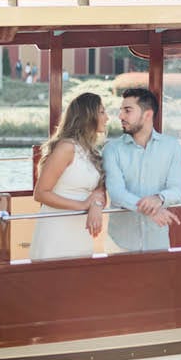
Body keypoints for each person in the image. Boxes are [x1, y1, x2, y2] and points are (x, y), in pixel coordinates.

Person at [102, 88, 181, 252]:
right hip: (119, 243)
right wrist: (149, 211)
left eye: (127, 111)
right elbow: (116, 193)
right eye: (121, 111)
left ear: (147, 114)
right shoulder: (111, 149)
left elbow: (178, 189)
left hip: (157, 241)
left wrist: (159, 198)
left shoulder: (172, 146)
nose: (120, 116)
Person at [31, 92, 109, 260]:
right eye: (102, 112)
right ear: (88, 115)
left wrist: (95, 204)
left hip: (80, 230)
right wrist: (82, 205)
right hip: (57, 229)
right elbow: (41, 193)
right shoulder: (67, 148)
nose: (107, 118)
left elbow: (98, 189)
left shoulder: (91, 151)